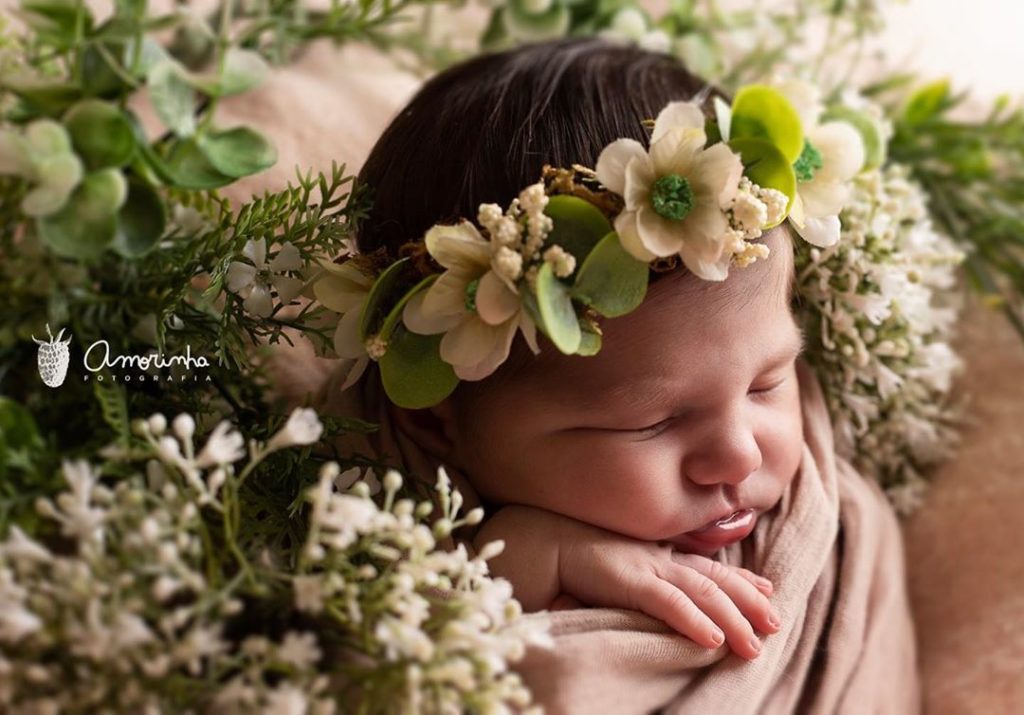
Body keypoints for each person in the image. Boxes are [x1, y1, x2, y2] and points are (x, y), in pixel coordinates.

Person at [314, 36, 920, 713]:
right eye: (653, 421)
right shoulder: (354, 513)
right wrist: (511, 565)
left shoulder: (837, 534)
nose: (741, 453)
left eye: (767, 382)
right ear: (435, 418)